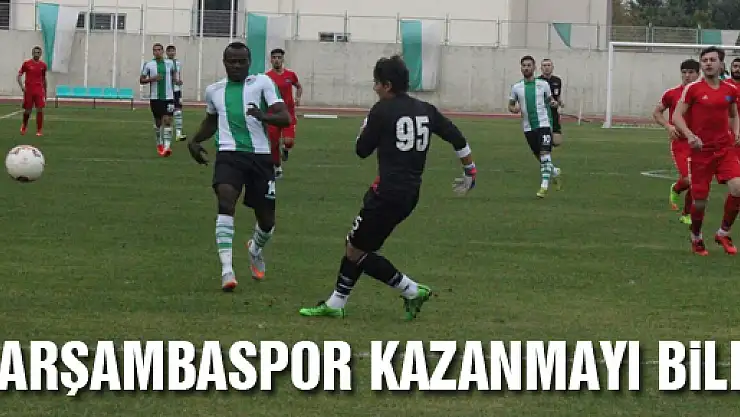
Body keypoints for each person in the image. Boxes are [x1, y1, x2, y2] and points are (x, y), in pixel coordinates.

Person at [298, 55, 477, 320]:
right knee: (360, 246)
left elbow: (361, 150)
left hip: (385, 194)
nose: (375, 88)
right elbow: (457, 137)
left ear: (388, 85)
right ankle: (336, 303)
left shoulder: (381, 111)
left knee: (355, 250)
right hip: (410, 194)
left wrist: (365, 126)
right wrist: (469, 170)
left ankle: (412, 290)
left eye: (377, 83)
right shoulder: (426, 109)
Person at [187, 42, 291, 291]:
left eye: (241, 61)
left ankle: (255, 248)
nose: (236, 66)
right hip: (229, 154)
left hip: (260, 157)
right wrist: (194, 141)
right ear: (224, 63)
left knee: (267, 220)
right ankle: (227, 271)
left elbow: (284, 117)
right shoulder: (214, 90)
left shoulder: (262, 83)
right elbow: (211, 121)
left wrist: (263, 116)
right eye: (231, 61)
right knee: (225, 200)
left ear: (249, 62)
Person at [672, 46, 740, 256]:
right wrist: (690, 135)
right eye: (704, 60)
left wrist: (736, 131)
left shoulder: (730, 90)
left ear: (721, 64)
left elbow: (733, 114)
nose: (708, 63)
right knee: (700, 201)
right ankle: (696, 237)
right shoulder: (693, 89)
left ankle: (723, 233)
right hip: (701, 152)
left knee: (738, 188)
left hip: (725, 149)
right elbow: (676, 116)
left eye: (712, 60)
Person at [652, 58, 701, 225]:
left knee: (696, 182)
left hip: (700, 143)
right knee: (688, 179)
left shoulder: (704, 93)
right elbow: (657, 112)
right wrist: (668, 126)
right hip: (680, 143)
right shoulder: (672, 93)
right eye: (684, 72)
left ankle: (686, 214)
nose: (687, 76)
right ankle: (676, 188)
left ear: (698, 74)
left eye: (691, 72)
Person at [509, 55, 561, 198]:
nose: (526, 68)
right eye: (524, 66)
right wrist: (514, 109)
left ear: (534, 67)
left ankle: (543, 187)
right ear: (521, 68)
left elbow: (550, 100)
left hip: (544, 124)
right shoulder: (516, 87)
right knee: (540, 157)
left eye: (529, 65)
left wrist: (553, 103)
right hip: (528, 127)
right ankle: (554, 171)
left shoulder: (543, 85)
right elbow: (511, 105)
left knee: (545, 154)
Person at [265, 48, 303, 179]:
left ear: (283, 59)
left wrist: (298, 97)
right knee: (274, 144)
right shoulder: (267, 77)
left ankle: (286, 149)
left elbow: (299, 86)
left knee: (288, 141)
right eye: (274, 57)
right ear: (271, 60)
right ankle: (277, 168)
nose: (277, 60)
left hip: (288, 114)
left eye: (279, 57)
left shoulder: (290, 75)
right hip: (273, 115)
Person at [140, 43, 179, 157]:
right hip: (155, 98)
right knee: (158, 123)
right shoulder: (149, 65)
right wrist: (152, 79)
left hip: (169, 97)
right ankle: (159, 143)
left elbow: (174, 75)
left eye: (159, 50)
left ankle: (167, 147)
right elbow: (141, 80)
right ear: (153, 52)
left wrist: (176, 81)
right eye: (155, 50)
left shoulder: (170, 63)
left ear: (162, 51)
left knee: (167, 120)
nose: (157, 52)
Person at [17, 46, 47, 136]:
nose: (37, 54)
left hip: (39, 90)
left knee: (40, 109)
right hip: (29, 91)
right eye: (35, 52)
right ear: (32, 53)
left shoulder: (43, 65)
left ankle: (39, 130)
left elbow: (44, 79)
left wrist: (45, 91)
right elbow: (19, 75)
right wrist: (22, 86)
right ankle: (24, 126)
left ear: (40, 54)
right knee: (28, 110)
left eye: (38, 53)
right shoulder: (27, 64)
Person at [538, 58, 564, 147]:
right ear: (541, 68)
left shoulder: (557, 80)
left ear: (552, 67)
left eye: (548, 65)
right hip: (543, 114)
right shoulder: (538, 81)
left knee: (557, 141)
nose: (546, 67)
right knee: (544, 140)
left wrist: (560, 102)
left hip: (554, 113)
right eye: (544, 65)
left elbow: (557, 95)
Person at [166, 45, 186, 142]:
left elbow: (178, 74)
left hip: (177, 90)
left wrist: (179, 81)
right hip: (168, 91)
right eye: (169, 51)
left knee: (178, 112)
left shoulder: (178, 63)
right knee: (169, 113)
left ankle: (178, 134)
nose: (171, 53)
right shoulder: (165, 63)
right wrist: (174, 80)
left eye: (173, 51)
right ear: (166, 52)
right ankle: (167, 134)